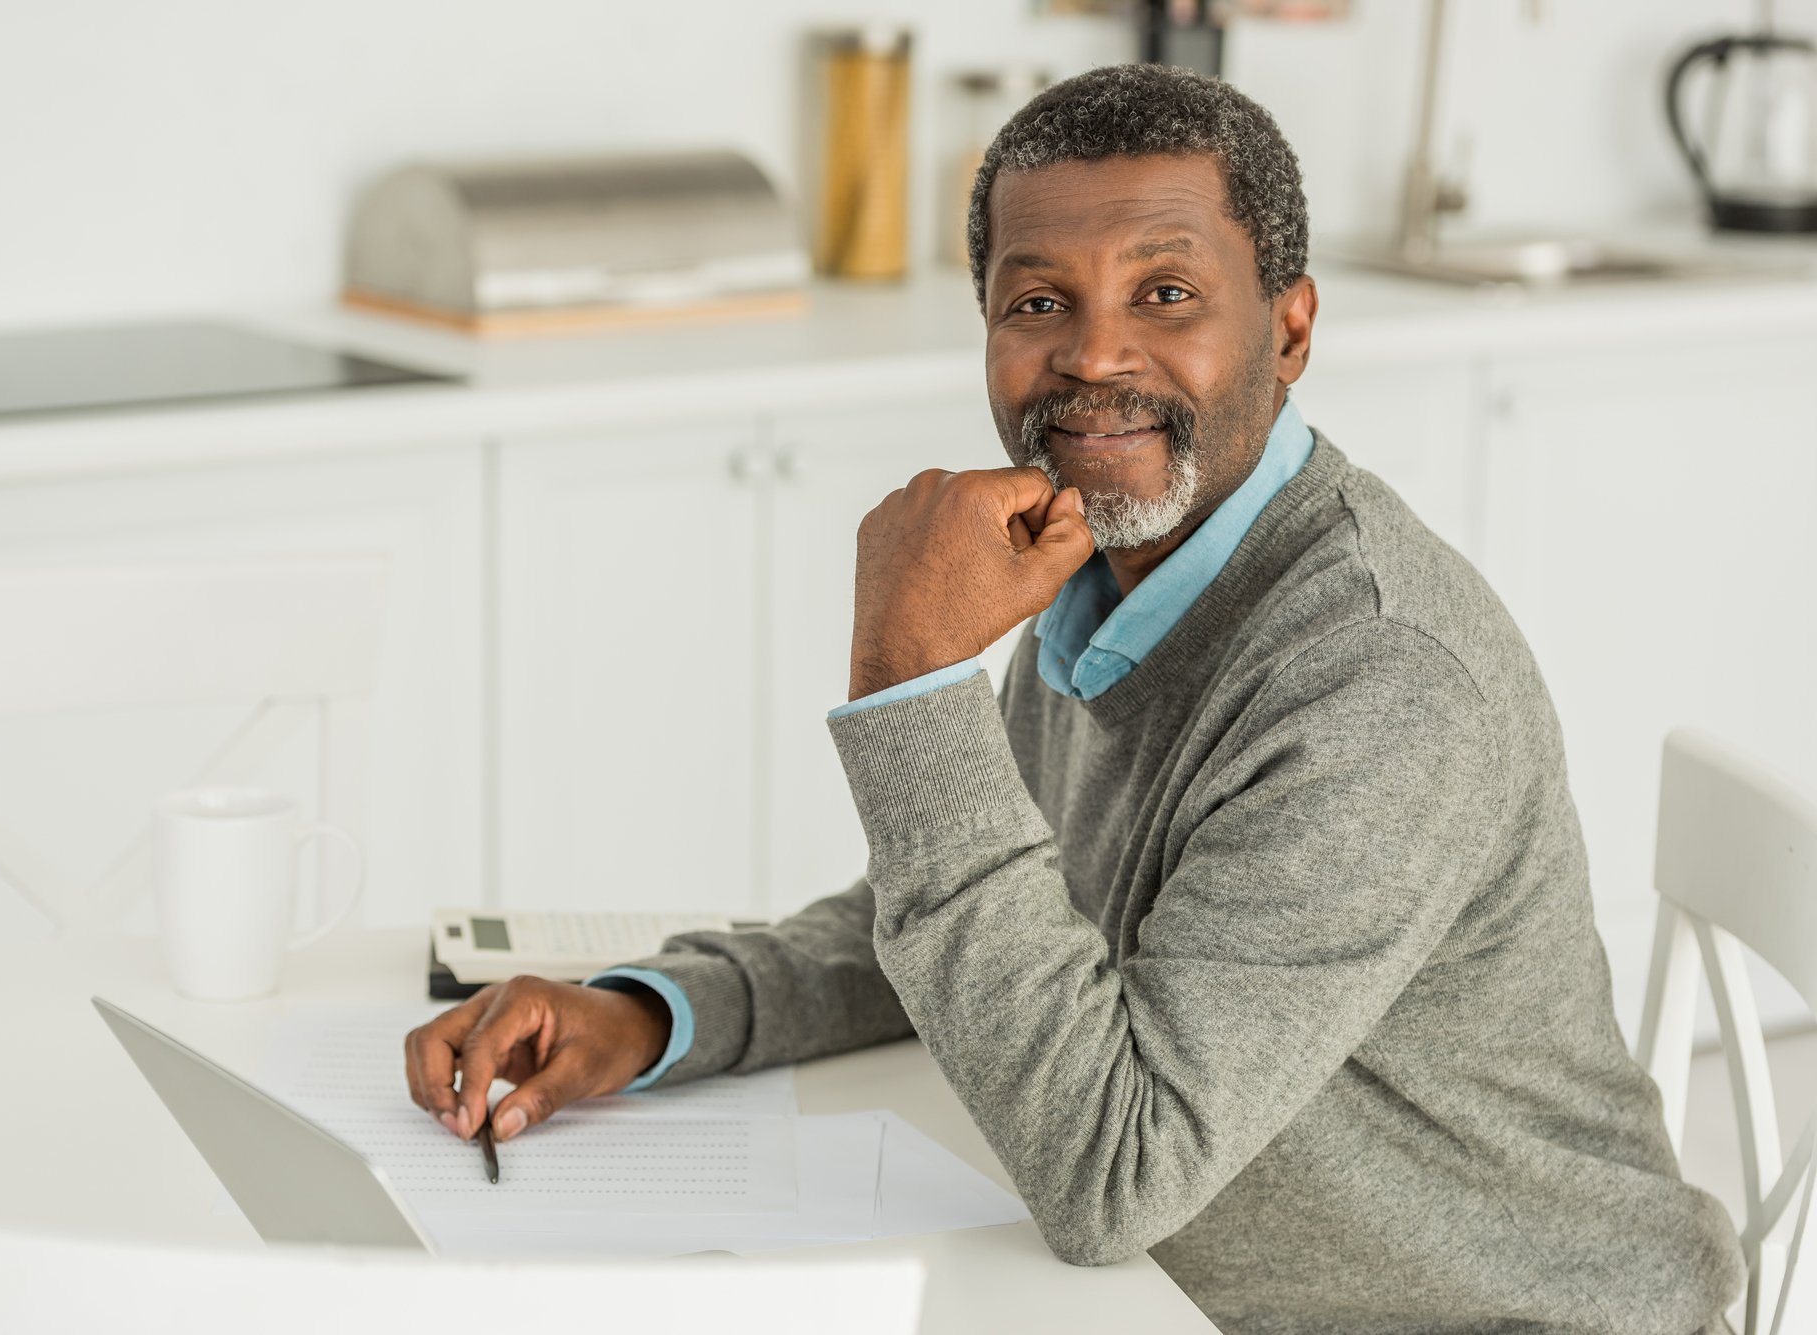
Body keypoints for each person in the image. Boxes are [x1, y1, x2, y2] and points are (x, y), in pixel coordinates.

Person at [403, 63, 1744, 1333]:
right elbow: (972, 906)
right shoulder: (1104, 563)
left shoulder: (1377, 682)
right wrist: (657, 1014)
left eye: (1166, 294)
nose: (1094, 358)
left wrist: (910, 686)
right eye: (1038, 302)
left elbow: (1111, 1175)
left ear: (1290, 327)